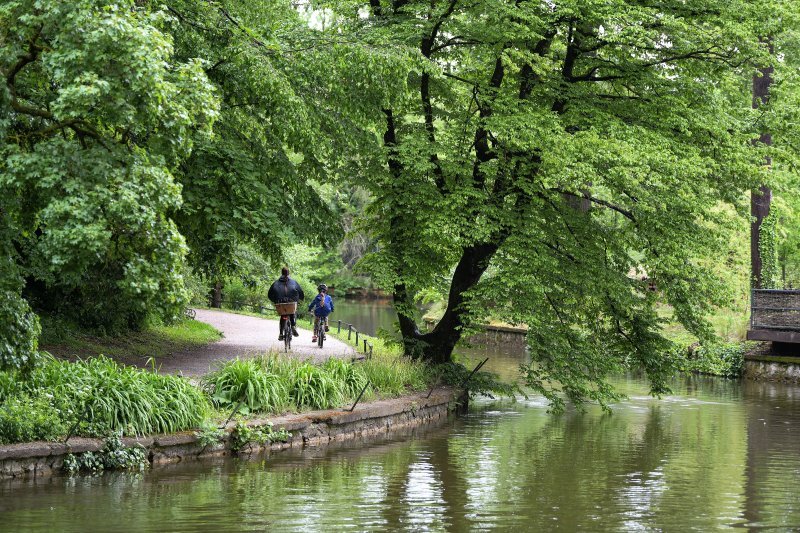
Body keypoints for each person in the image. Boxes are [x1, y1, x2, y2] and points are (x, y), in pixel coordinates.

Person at [267, 267, 305, 341]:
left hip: (280, 304)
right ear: (289, 273)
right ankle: (293, 326)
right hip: (291, 303)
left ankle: (281, 334)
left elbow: (269, 294)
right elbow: (300, 292)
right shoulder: (294, 282)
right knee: (292, 312)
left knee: (283, 316)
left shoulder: (275, 283)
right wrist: (301, 299)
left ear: (281, 273)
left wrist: (275, 301)